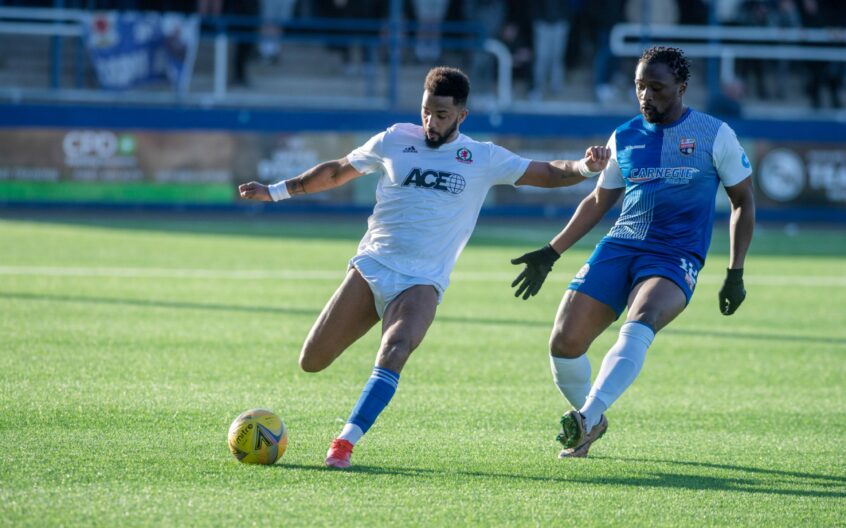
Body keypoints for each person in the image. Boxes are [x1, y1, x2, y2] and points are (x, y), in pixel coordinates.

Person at [238, 66, 610, 469]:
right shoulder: (395, 138)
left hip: (422, 281)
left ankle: (344, 442)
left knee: (395, 348)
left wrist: (586, 166)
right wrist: (274, 192)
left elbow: (548, 172)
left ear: (462, 116)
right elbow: (336, 171)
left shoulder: (481, 157)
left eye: (442, 115)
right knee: (312, 360)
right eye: (426, 112)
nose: (431, 123)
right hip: (372, 266)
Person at [510, 47, 756, 459]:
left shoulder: (716, 135)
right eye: (640, 86)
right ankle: (593, 418)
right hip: (621, 245)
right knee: (563, 343)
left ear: (681, 88)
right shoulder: (624, 136)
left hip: (674, 255)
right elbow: (597, 201)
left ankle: (586, 418)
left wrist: (735, 272)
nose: (646, 96)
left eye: (656, 87)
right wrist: (552, 251)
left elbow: (743, 203)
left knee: (641, 319)